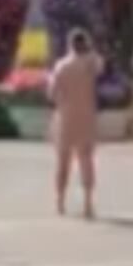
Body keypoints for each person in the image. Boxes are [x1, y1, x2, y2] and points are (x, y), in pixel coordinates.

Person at [48, 29, 103, 218]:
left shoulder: (61, 66)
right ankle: (88, 203)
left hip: (65, 116)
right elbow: (100, 65)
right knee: (86, 159)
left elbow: (52, 93)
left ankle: (60, 202)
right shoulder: (90, 64)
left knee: (63, 161)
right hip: (86, 115)